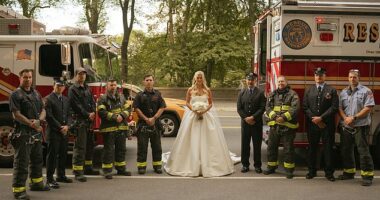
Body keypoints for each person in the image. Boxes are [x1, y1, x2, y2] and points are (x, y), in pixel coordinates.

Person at [164, 71, 234, 177]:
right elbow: (187, 102)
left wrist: (204, 110)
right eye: (198, 78)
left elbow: (210, 104)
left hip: (206, 116)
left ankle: (210, 164)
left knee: (209, 139)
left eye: (201, 78)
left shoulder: (207, 90)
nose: (199, 79)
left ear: (203, 79)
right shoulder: (190, 90)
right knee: (191, 138)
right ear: (195, 78)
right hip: (193, 115)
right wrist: (194, 110)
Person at [9, 69, 50, 199]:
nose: (28, 79)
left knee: (37, 159)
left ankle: (36, 183)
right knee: (22, 162)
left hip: (36, 132)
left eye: (30, 77)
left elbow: (43, 109)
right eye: (25, 77)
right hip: (23, 133)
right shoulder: (15, 94)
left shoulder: (36, 93)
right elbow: (16, 114)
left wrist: (39, 121)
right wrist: (30, 123)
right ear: (20, 78)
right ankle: (19, 190)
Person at [338, 69, 375, 186]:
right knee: (346, 150)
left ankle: (367, 176)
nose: (352, 79)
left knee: (363, 151)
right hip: (346, 126)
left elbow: (368, 107)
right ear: (347, 78)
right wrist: (345, 118)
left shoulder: (366, 91)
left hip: (361, 126)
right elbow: (340, 108)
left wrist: (353, 118)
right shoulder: (343, 92)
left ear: (359, 78)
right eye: (350, 77)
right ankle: (349, 172)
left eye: (354, 77)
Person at [303, 68, 338, 182]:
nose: (319, 77)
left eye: (321, 75)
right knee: (312, 148)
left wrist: (321, 118)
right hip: (313, 124)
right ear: (314, 77)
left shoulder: (331, 90)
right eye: (317, 75)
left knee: (328, 149)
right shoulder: (309, 90)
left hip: (327, 125)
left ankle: (329, 173)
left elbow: (334, 107)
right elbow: (305, 107)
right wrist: (315, 119)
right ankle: (311, 171)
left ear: (325, 76)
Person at [263, 75, 299, 179]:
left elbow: (295, 108)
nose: (280, 83)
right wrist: (274, 117)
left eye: (282, 81)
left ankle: (289, 169)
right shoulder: (272, 94)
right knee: (271, 147)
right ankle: (271, 166)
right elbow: (268, 107)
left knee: (288, 149)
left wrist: (283, 118)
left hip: (288, 126)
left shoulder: (293, 94)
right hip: (274, 126)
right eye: (279, 82)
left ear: (286, 82)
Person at [68, 67, 99, 182]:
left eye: (84, 74)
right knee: (80, 147)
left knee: (89, 146)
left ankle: (88, 168)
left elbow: (92, 101)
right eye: (80, 74)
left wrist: (93, 113)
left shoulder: (87, 88)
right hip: (80, 121)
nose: (82, 76)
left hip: (88, 121)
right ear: (76, 76)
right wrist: (87, 114)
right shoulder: (73, 89)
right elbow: (75, 105)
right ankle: (78, 171)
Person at [97, 79, 132, 179]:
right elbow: (101, 112)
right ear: (107, 87)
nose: (113, 87)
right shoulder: (102, 98)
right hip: (109, 129)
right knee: (108, 150)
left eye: (115, 85)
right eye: (111, 85)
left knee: (121, 149)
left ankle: (121, 169)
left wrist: (122, 115)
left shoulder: (121, 97)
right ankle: (107, 171)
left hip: (121, 128)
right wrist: (115, 117)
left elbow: (128, 109)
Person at [133, 75, 166, 174]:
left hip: (155, 124)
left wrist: (154, 118)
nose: (149, 82)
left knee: (157, 147)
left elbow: (162, 107)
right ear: (143, 82)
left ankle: (157, 166)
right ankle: (141, 167)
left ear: (153, 82)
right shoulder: (139, 95)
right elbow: (136, 108)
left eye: (150, 80)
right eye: (147, 80)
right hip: (143, 124)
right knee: (142, 147)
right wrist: (146, 118)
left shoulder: (158, 94)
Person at [45, 78, 73, 189]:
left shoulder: (66, 99)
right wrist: (60, 127)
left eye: (62, 86)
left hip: (64, 131)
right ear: (53, 86)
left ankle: (61, 176)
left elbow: (69, 115)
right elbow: (49, 116)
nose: (59, 87)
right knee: (52, 155)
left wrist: (67, 126)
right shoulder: (48, 99)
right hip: (53, 132)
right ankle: (50, 179)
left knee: (62, 154)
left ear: (64, 88)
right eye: (57, 85)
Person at [237, 72, 266, 173]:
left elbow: (262, 108)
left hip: (256, 123)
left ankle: (257, 165)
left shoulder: (260, 92)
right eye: (249, 80)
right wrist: (246, 118)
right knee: (245, 145)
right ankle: (245, 165)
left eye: (252, 80)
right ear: (246, 80)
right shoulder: (241, 92)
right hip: (245, 124)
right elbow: (239, 108)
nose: (250, 81)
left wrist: (253, 117)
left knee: (257, 145)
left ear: (255, 81)